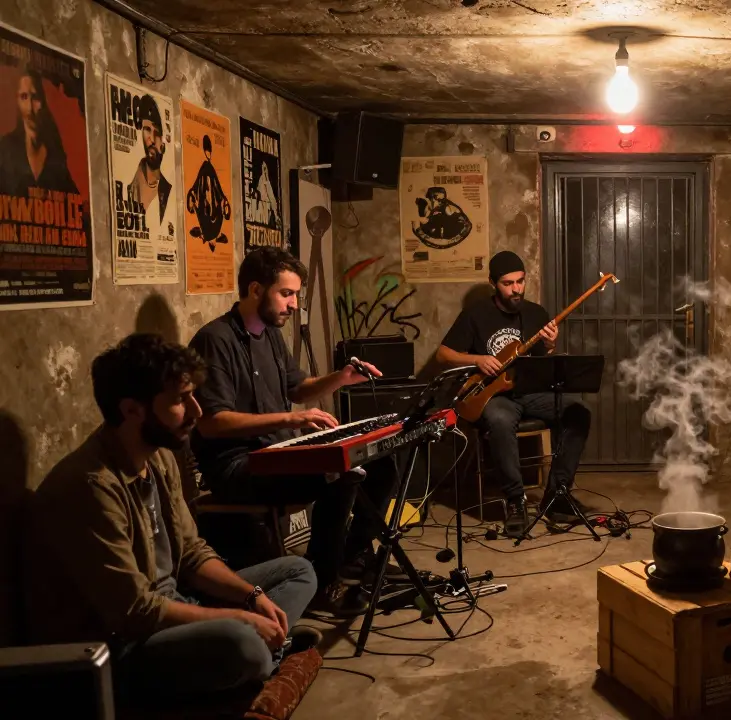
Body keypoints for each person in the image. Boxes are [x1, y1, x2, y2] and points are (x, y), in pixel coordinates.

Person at [24, 334, 320, 703]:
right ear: (132, 410)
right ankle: (266, 654)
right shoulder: (91, 486)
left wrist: (251, 597)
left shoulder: (158, 456)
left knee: (298, 571)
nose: (197, 411)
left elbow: (192, 554)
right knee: (243, 644)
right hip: (125, 644)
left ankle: (263, 653)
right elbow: (134, 612)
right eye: (181, 400)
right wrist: (240, 620)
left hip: (177, 601)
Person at [189, 247, 392, 617]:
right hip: (237, 465)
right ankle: (321, 581)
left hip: (277, 452)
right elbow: (212, 422)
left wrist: (342, 377)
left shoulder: (269, 335)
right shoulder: (214, 340)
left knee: (381, 462)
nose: (294, 304)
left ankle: (350, 556)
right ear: (255, 289)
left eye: (295, 294)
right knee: (341, 474)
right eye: (286, 293)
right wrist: (290, 420)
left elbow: (298, 389)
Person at [435, 250, 592, 537]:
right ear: (493, 283)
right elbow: (443, 355)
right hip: (495, 397)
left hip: (530, 392)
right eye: (508, 283)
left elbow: (543, 362)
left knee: (578, 412)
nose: (516, 289)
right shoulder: (475, 315)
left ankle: (557, 496)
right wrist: (477, 359)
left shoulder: (536, 314)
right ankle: (515, 501)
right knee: (500, 420)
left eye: (520, 281)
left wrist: (550, 345)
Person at [0, 65, 78, 197]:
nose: (30, 107)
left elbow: (75, 203)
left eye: (35, 97)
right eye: (24, 97)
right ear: (17, 101)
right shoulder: (5, 147)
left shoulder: (54, 152)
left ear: (43, 100)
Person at [126, 93, 172, 227]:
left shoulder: (167, 190)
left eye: (156, 133)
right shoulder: (130, 188)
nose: (151, 139)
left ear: (163, 145)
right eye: (147, 130)